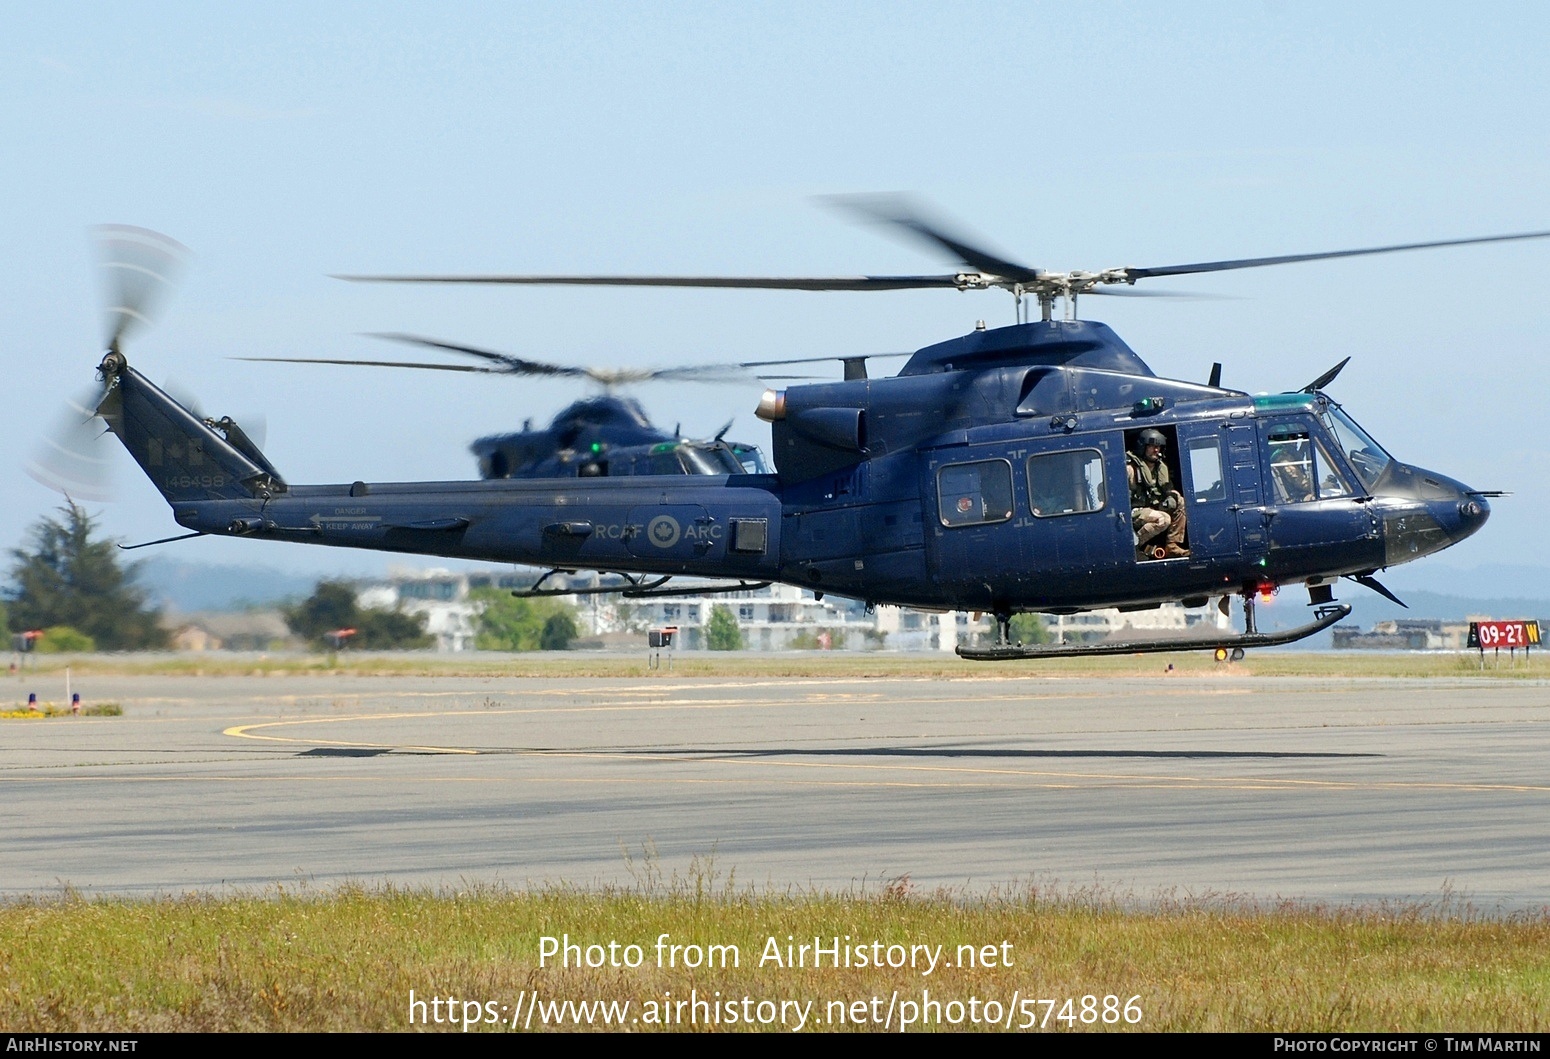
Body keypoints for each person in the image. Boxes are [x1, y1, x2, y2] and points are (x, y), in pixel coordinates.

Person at [1127, 428, 1189, 558]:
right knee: (1163, 519)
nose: (1156, 450)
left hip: (1153, 507)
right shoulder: (1131, 469)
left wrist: (1171, 497)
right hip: (1134, 512)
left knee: (1180, 501)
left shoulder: (1160, 468)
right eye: (1152, 446)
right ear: (1142, 447)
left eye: (1158, 447)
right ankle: (1133, 545)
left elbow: (1168, 488)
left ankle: (1172, 545)